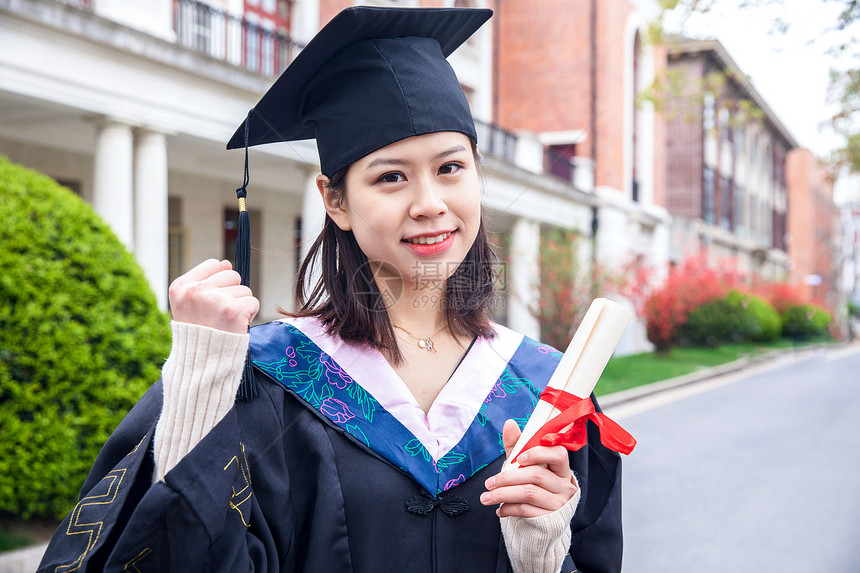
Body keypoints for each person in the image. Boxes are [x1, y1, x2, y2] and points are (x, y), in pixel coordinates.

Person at [39, 6, 622, 572]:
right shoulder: (261, 379)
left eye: (450, 168)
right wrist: (197, 382)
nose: (430, 204)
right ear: (335, 200)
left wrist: (539, 551)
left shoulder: (547, 388)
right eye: (390, 177)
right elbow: (174, 555)